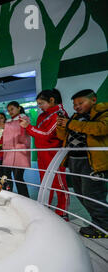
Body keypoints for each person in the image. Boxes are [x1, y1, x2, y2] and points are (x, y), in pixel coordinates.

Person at [56, 89, 107, 238]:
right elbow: (62, 136)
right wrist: (61, 126)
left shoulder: (103, 114)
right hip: (74, 160)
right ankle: (99, 222)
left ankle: (104, 226)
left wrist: (71, 123)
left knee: (93, 195)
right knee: (81, 194)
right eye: (74, 104)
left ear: (93, 100)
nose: (77, 106)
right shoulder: (75, 117)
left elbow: (101, 129)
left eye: (80, 103)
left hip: (92, 162)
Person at [20, 89, 69, 219]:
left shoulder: (59, 114)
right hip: (42, 153)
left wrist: (28, 127)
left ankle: (62, 212)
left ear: (52, 100)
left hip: (54, 154)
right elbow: (39, 133)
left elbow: (47, 134)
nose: (39, 106)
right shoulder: (44, 115)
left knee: (59, 183)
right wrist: (28, 127)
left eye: (41, 103)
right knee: (45, 182)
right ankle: (45, 208)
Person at [2, 101, 30, 197]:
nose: (10, 112)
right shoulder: (10, 121)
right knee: (8, 176)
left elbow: (20, 135)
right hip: (10, 153)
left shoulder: (23, 118)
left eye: (12, 109)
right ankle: (10, 195)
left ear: (18, 108)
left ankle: (25, 198)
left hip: (20, 152)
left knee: (18, 177)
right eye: (8, 110)